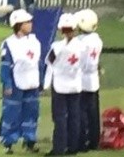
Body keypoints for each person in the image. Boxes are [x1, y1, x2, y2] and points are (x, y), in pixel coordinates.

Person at [0, 9, 41, 154]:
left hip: (32, 82)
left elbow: (38, 63)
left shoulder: (34, 41)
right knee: (12, 112)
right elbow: (5, 66)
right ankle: (8, 142)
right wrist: (7, 83)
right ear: (18, 25)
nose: (30, 24)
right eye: (27, 22)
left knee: (31, 112)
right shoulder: (8, 44)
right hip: (16, 84)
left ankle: (30, 140)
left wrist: (40, 81)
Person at [44, 13, 83, 157]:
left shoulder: (57, 47)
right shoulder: (82, 46)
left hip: (60, 86)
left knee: (60, 117)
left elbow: (49, 62)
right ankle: (73, 147)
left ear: (61, 30)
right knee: (74, 116)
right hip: (75, 85)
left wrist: (46, 84)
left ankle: (59, 148)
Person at [76, 9, 103, 153]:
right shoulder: (97, 40)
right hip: (93, 79)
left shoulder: (80, 42)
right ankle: (94, 140)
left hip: (81, 80)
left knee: (82, 112)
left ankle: (83, 140)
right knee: (93, 113)